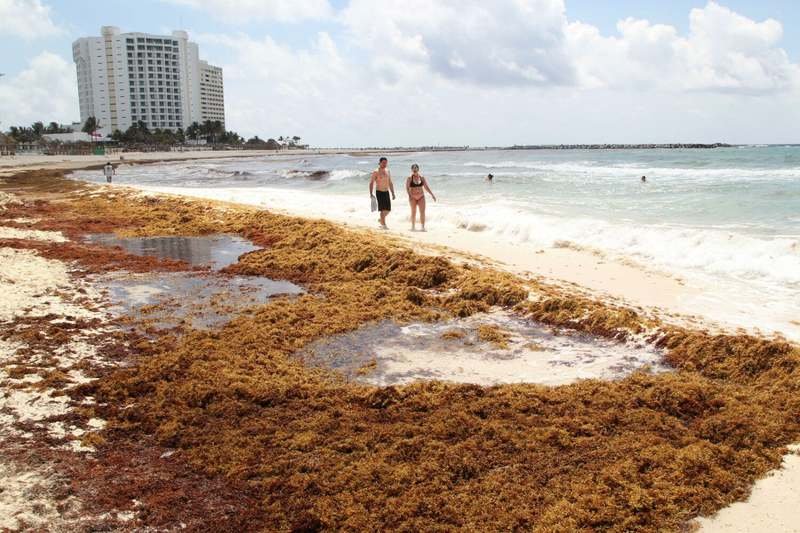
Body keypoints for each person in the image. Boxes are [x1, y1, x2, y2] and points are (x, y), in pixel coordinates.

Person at [406, 163, 437, 231]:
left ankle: (422, 227)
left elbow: (426, 187)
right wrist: (410, 196)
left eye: (416, 168)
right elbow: (407, 188)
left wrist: (432, 195)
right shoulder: (409, 178)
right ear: (411, 169)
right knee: (413, 212)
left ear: (418, 169)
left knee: (422, 212)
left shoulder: (422, 178)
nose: (414, 169)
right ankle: (413, 227)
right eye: (413, 168)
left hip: (421, 197)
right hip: (413, 197)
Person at [369, 157, 396, 229]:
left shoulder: (388, 171)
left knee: (388, 210)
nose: (385, 164)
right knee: (382, 209)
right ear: (380, 163)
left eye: (386, 163)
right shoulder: (376, 171)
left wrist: (393, 193)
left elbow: (390, 182)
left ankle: (381, 219)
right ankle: (383, 225)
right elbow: (371, 183)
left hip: (386, 192)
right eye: (383, 163)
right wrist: (371, 193)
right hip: (379, 192)